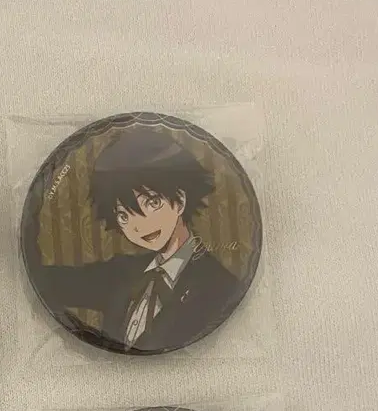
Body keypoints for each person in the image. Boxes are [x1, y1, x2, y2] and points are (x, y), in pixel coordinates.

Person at [34, 127, 239, 352]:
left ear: (180, 200)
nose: (139, 226)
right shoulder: (120, 273)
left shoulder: (219, 284)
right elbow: (52, 282)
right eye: (123, 215)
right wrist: (32, 209)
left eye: (152, 203)